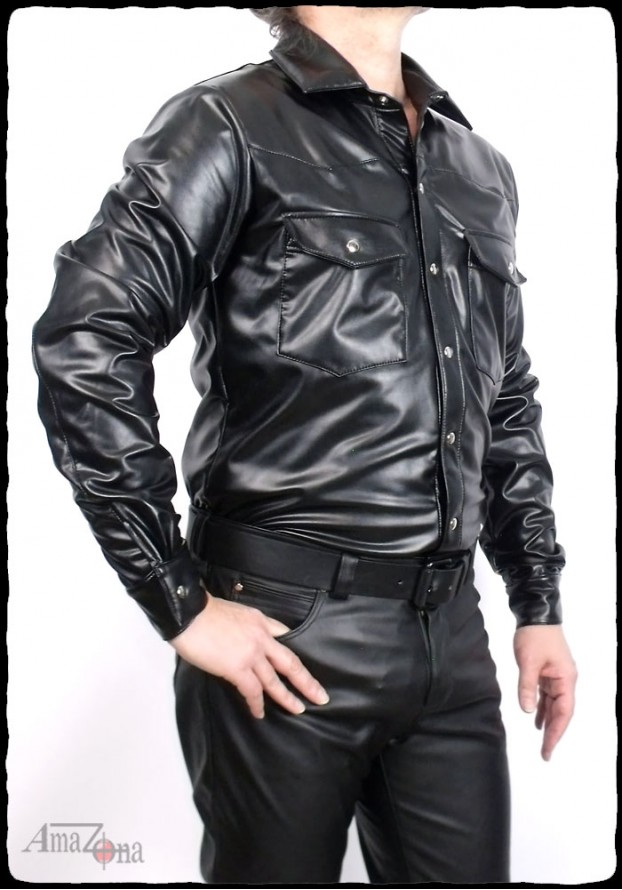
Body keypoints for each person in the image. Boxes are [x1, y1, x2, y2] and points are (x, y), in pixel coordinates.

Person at [32, 6, 578, 884]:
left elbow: (503, 397)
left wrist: (538, 601)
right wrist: (178, 600)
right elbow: (86, 336)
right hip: (283, 630)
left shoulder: (477, 166)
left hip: (452, 639)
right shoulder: (227, 125)